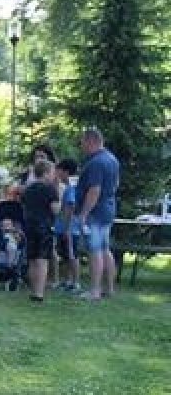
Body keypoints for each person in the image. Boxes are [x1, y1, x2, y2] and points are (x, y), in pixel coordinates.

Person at [75, 127, 120, 301]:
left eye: (83, 142)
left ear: (91, 141)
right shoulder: (112, 159)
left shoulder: (96, 163)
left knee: (95, 250)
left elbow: (94, 190)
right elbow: (115, 185)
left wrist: (84, 213)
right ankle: (109, 289)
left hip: (96, 212)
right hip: (108, 208)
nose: (81, 146)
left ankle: (94, 291)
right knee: (104, 249)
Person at [20, 158, 59, 301]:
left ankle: (32, 290)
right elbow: (55, 209)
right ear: (46, 173)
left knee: (31, 259)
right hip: (44, 226)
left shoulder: (28, 189)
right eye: (52, 172)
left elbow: (24, 205)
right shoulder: (50, 189)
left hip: (29, 225)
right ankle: (39, 293)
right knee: (42, 259)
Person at [53, 159, 81, 292]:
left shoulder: (71, 188)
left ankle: (75, 282)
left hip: (69, 228)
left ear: (65, 172)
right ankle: (68, 280)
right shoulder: (69, 186)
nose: (56, 173)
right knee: (65, 255)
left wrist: (66, 228)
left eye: (58, 170)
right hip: (63, 227)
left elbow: (70, 207)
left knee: (72, 255)